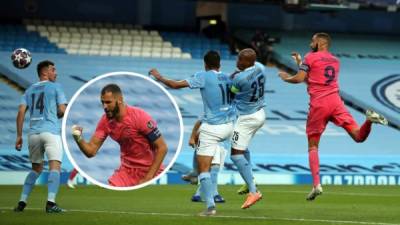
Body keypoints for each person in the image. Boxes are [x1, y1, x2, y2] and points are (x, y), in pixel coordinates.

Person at [278, 32, 388, 201]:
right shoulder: (336, 61)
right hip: (336, 102)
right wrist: (300, 62)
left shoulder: (310, 57)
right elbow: (314, 76)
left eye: (313, 40)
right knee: (358, 136)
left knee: (313, 145)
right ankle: (369, 120)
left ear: (321, 43)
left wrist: (286, 78)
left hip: (319, 105)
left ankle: (316, 185)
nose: (310, 43)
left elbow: (301, 78)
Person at [149, 50, 235, 216]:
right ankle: (201, 181)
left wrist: (158, 77)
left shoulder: (203, 76)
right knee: (215, 164)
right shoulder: (228, 77)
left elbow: (175, 85)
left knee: (203, 169)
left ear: (205, 64)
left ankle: (209, 206)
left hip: (212, 128)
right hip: (229, 126)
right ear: (220, 64)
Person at [71, 84, 168, 186]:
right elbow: (91, 151)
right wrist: (78, 137)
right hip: (127, 171)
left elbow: (162, 147)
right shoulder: (105, 121)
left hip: (151, 170)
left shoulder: (140, 117)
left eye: (108, 102)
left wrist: (148, 178)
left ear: (120, 100)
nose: (105, 106)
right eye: (102, 102)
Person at [14, 60, 67, 213]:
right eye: (53, 69)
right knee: (54, 167)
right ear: (45, 73)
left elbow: (21, 113)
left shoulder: (28, 90)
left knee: (36, 169)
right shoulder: (56, 87)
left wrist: (19, 136)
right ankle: (51, 203)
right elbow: (62, 110)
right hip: (50, 132)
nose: (56, 72)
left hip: (33, 135)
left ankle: (22, 202)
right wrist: (57, 114)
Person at [229, 48, 267, 209]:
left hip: (247, 118)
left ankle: (253, 191)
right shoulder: (260, 67)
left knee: (235, 155)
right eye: (238, 58)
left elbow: (231, 92)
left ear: (249, 62)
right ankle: (248, 181)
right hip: (260, 112)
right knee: (243, 149)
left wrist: (232, 78)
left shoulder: (240, 79)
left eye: (241, 60)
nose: (238, 62)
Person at [189, 120, 225, 204]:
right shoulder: (213, 112)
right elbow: (199, 121)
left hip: (219, 142)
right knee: (214, 169)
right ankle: (215, 194)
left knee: (209, 171)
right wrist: (192, 138)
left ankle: (197, 195)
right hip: (211, 141)